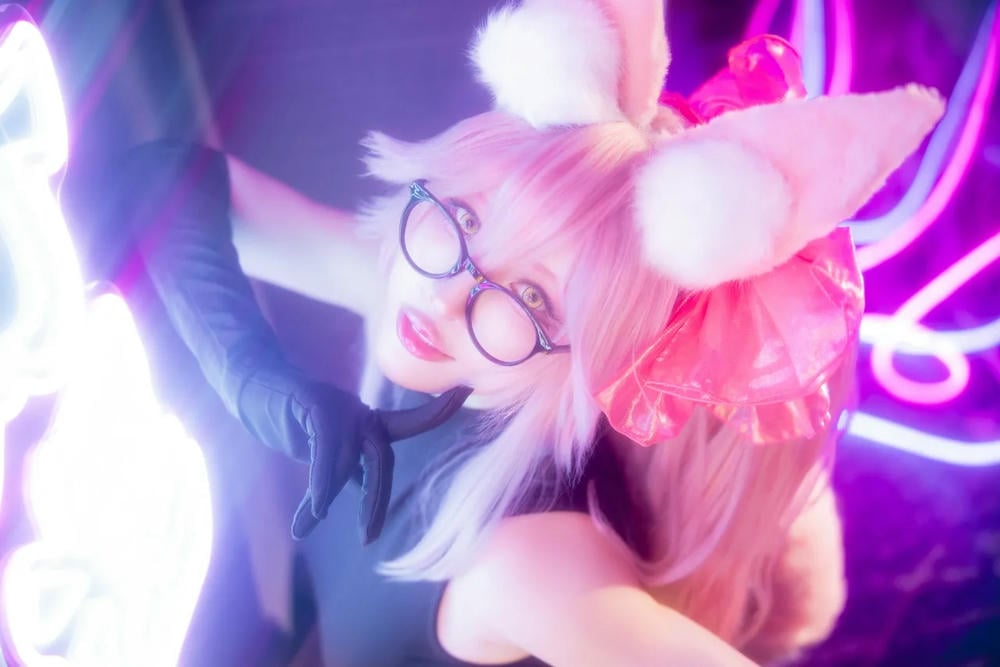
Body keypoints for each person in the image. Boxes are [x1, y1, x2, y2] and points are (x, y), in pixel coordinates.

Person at [106, 1, 944, 664]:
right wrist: (258, 382)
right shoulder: (426, 286)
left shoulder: (531, 561)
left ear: (602, 358)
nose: (451, 294)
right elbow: (158, 183)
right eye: (470, 213)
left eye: (534, 296)